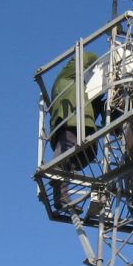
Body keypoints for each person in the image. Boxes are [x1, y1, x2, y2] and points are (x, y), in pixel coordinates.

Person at [49, 51, 104, 209]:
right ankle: (56, 169)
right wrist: (104, 61)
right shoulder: (66, 79)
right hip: (71, 120)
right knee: (68, 148)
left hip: (81, 124)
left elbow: (97, 107)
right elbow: (83, 57)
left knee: (82, 155)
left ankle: (62, 197)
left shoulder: (83, 93)